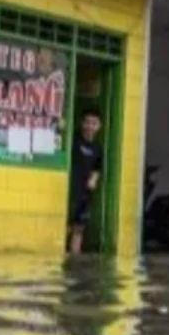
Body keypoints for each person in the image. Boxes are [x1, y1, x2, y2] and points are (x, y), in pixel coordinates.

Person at [66, 108, 104, 254]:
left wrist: (94, 179)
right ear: (82, 123)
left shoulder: (98, 148)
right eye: (87, 122)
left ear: (99, 126)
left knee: (79, 228)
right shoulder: (73, 141)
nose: (90, 126)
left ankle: (75, 258)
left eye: (94, 123)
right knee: (67, 226)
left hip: (85, 194)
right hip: (70, 191)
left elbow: (97, 168)